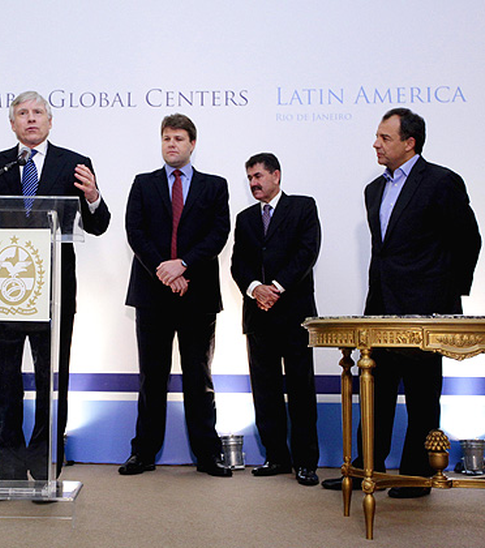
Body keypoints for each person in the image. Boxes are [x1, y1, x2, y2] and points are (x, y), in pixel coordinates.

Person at [322, 108, 481, 498]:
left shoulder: (442, 181)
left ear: (410, 143)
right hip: (380, 310)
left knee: (423, 397)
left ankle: (416, 476)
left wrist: (445, 299)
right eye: (377, 136)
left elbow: (468, 241)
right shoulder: (373, 189)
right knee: (374, 392)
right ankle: (367, 469)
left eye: (385, 137)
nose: (376, 143)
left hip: (426, 314)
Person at [0, 91, 111, 480]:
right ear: (12, 123)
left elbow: (98, 223)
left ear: (50, 120)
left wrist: (92, 196)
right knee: (2, 378)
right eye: (22, 113)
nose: (30, 119)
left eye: (37, 112)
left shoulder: (74, 163)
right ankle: (8, 463)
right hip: (5, 286)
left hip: (55, 287)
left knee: (51, 377)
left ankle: (43, 462)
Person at [120, 113, 231, 477]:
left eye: (179, 138)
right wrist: (163, 271)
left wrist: (182, 264)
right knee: (151, 377)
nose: (172, 144)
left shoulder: (215, 186)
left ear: (192, 144)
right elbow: (135, 232)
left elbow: (218, 235)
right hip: (152, 295)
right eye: (167, 138)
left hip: (197, 295)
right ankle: (143, 453)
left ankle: (207, 455)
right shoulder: (143, 183)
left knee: (199, 377)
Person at [230, 152, 321, 486]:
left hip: (294, 314)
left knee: (300, 389)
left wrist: (276, 288)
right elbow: (238, 264)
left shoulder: (302, 207)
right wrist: (256, 290)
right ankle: (276, 457)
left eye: (259, 176)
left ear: (276, 176)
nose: (254, 183)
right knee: (265, 391)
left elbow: (307, 253)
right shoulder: (245, 218)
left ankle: (306, 462)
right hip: (258, 316)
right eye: (250, 178)